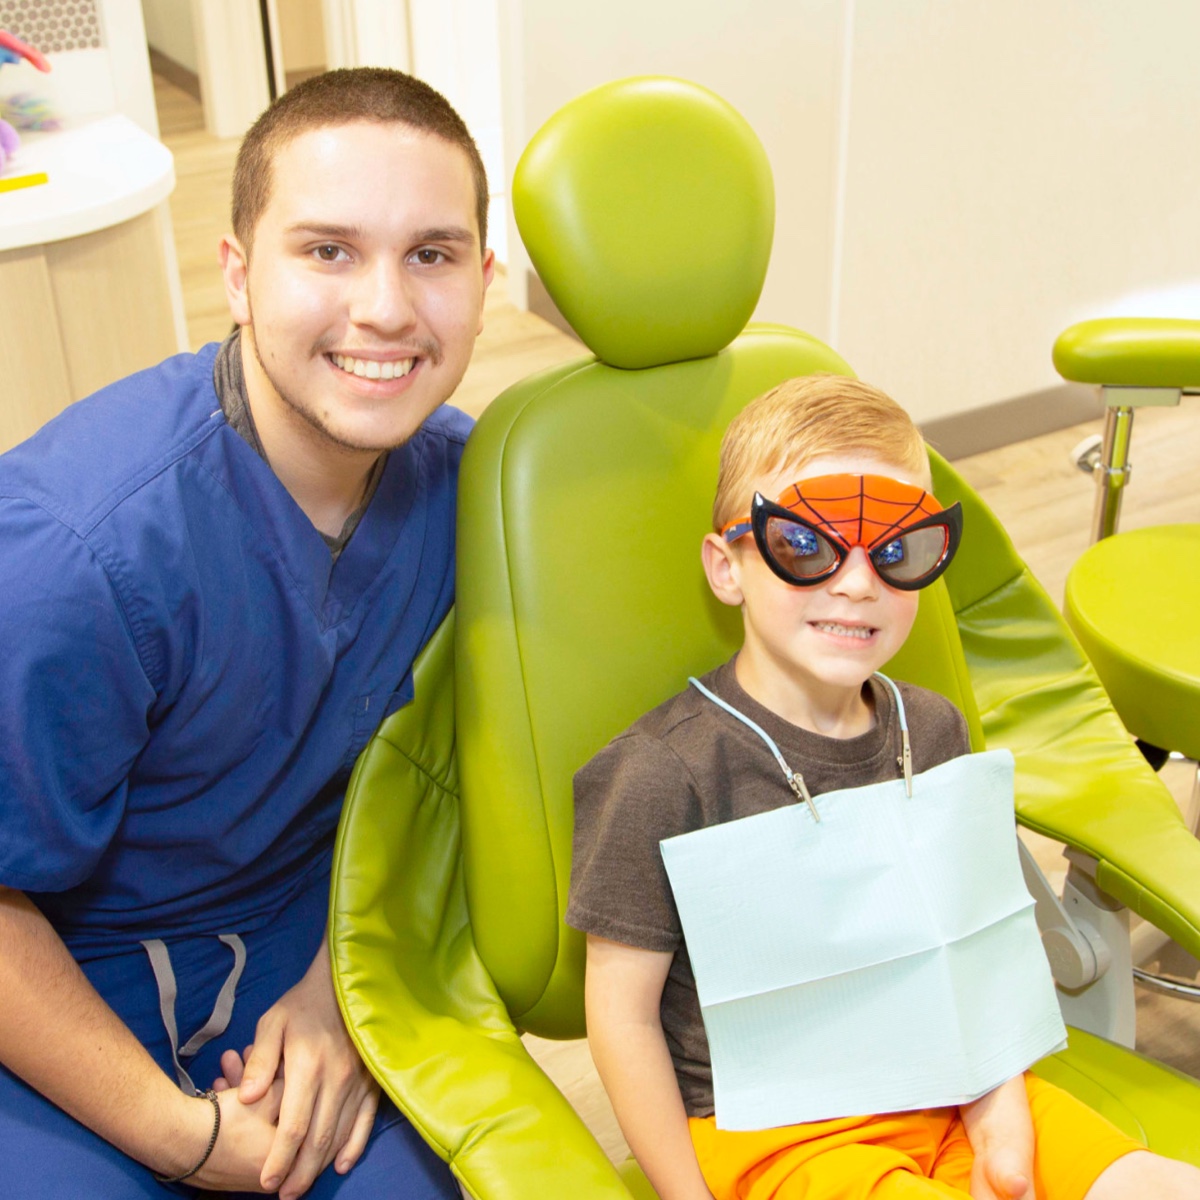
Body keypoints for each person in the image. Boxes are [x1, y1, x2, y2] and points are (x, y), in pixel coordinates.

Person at [0, 68, 494, 1198]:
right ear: (235, 274)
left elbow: (462, 784)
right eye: (327, 250)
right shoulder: (70, 554)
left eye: (432, 253)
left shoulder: (484, 501)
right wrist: (185, 1139)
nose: (384, 307)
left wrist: (343, 987)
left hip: (306, 933)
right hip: (61, 973)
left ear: (484, 279)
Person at [566, 375, 1200, 1200]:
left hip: (943, 1082)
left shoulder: (930, 729)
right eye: (807, 546)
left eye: (897, 551)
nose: (859, 583)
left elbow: (968, 948)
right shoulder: (662, 773)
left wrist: (999, 1108)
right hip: (777, 1132)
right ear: (726, 567)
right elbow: (620, 1017)